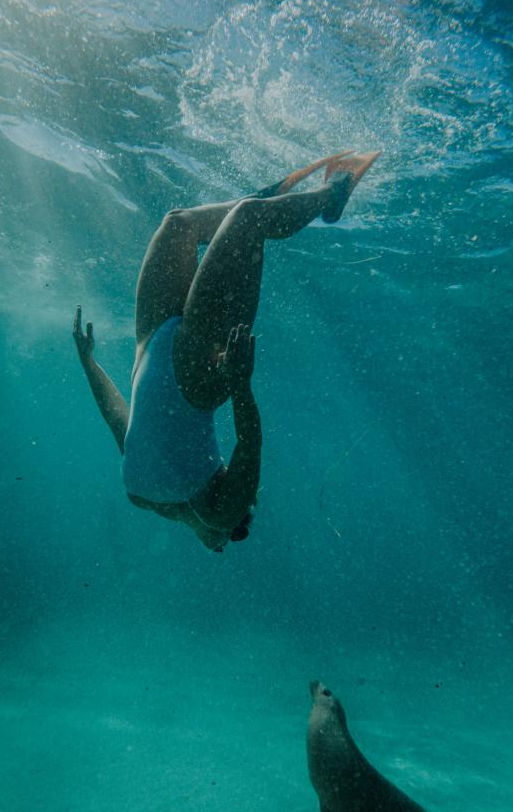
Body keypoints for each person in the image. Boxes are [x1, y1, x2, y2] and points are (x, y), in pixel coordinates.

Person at [73, 150, 380, 551]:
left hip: (151, 343)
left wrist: (87, 361)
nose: (246, 512)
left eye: (242, 520)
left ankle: (257, 203)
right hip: (197, 374)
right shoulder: (221, 513)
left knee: (177, 223)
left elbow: (118, 419)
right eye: (245, 518)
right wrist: (239, 385)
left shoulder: (142, 497)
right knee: (250, 219)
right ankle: (332, 195)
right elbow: (249, 446)